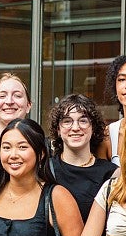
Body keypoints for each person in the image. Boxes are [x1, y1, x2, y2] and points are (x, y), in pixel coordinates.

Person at [48, 93, 117, 223]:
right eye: (67, 121)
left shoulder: (111, 174)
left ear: (93, 127)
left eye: (83, 121)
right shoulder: (45, 170)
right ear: (58, 129)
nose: (75, 128)